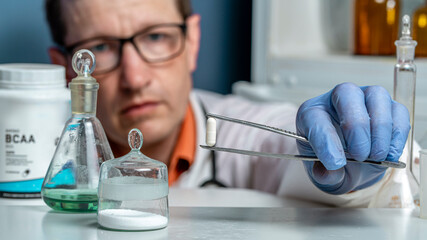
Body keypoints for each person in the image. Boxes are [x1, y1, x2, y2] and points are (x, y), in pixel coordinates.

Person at [45, 0, 409, 206]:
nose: (135, 78)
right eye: (102, 48)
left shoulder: (242, 135)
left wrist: (358, 158)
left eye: (156, 37)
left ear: (193, 42)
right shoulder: (33, 159)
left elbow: (282, 143)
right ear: (66, 69)